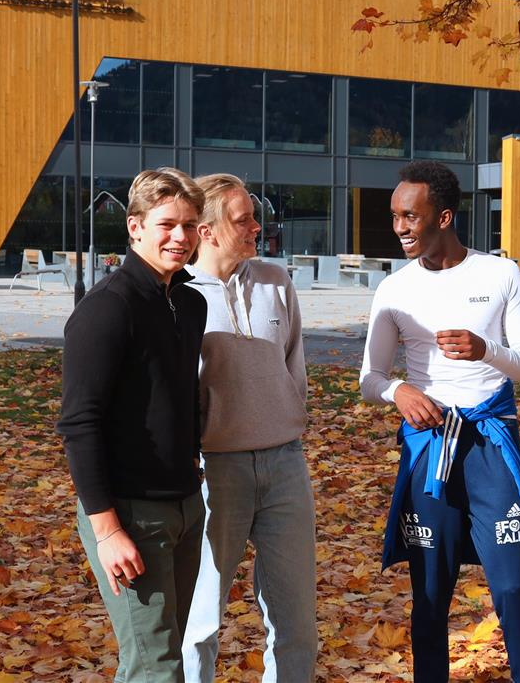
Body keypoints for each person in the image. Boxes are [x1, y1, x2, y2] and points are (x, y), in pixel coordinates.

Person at [359, 160, 520, 683]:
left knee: (511, 586)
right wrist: (399, 391)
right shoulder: (394, 289)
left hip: (490, 445)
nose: (399, 227)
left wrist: (487, 350)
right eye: (394, 216)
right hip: (430, 446)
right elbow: (370, 378)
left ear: (443, 217)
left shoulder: (499, 274)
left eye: (410, 216)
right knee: (429, 592)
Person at [57, 167, 208, 683]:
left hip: (185, 505)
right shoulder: (107, 309)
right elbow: (79, 423)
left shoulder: (189, 303)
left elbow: (179, 396)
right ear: (135, 226)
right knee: (156, 667)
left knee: (157, 656)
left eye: (190, 225)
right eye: (167, 224)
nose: (180, 237)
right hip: (129, 514)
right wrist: (108, 532)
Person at [181, 174, 318, 683]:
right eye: (244, 220)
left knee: (296, 621)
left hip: (285, 464)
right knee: (199, 621)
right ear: (209, 231)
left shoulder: (275, 281)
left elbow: (294, 364)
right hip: (216, 471)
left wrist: (286, 414)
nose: (257, 227)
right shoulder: (179, 294)